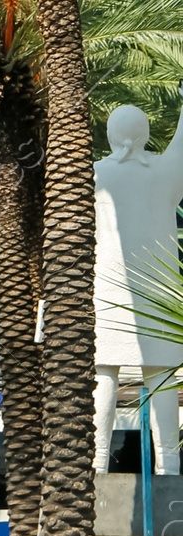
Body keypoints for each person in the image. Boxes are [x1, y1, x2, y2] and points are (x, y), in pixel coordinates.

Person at [93, 102, 183, 473]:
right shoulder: (166, 173)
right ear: (145, 134)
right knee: (162, 375)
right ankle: (170, 467)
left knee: (103, 376)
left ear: (111, 135)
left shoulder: (94, 174)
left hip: (106, 290)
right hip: (160, 292)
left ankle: (96, 465)